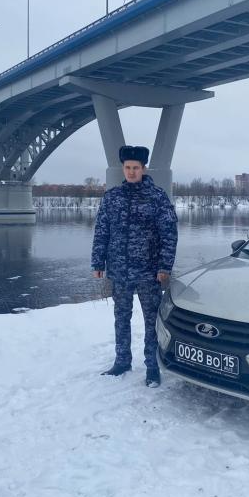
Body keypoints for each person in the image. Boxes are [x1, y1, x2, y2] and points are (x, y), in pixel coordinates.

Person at [91, 145, 178, 388]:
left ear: (143, 169)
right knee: (121, 317)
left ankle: (152, 366)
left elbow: (169, 234)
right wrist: (98, 261)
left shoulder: (157, 197)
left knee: (151, 320)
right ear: (123, 168)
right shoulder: (112, 198)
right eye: (127, 167)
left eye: (135, 168)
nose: (131, 172)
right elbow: (102, 231)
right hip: (119, 270)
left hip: (148, 272)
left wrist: (164, 267)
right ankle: (122, 361)